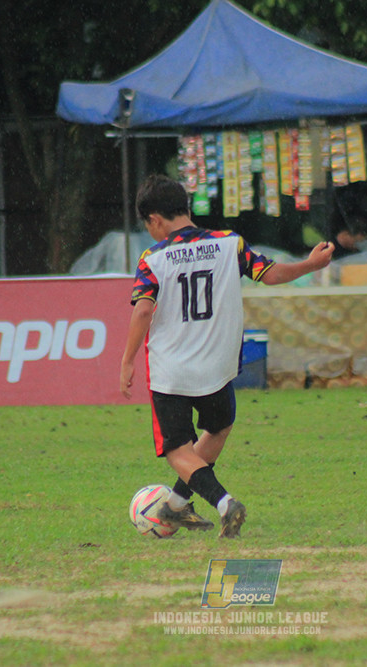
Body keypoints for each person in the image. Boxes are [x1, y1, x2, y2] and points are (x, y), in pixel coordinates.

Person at [120, 174, 334, 538]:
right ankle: (173, 506)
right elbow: (269, 274)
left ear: (155, 220)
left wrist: (126, 361)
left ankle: (223, 503)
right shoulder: (227, 244)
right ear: (185, 208)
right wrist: (310, 266)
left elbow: (143, 311)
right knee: (218, 428)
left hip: (172, 369)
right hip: (218, 365)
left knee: (176, 449)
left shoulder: (153, 258)